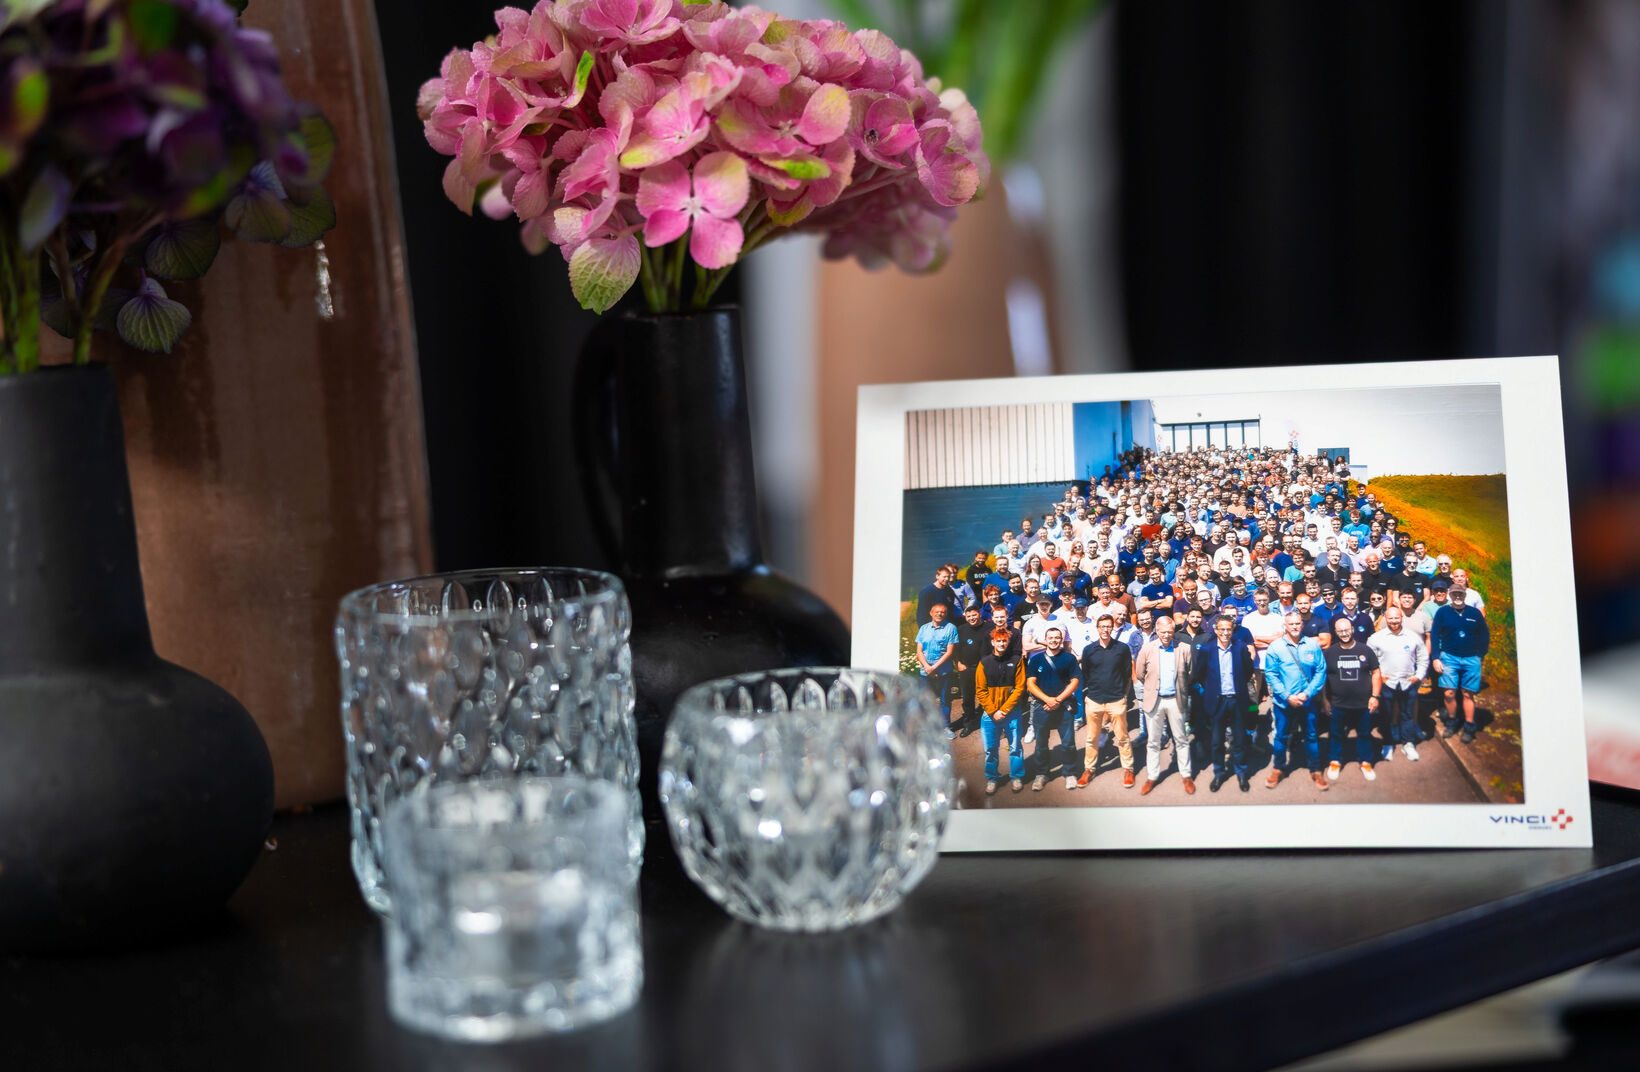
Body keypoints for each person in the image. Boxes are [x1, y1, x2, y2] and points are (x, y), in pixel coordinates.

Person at [1264, 610, 1329, 790]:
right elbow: (1271, 674)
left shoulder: (1312, 645)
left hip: (1307, 701)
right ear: (1285, 626)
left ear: (1302, 624)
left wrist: (1308, 693)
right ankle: (1278, 768)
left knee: (1311, 735)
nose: (1294, 626)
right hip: (1284, 702)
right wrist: (1287, 695)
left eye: (1297, 623)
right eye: (1291, 623)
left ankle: (1315, 769)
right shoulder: (1276, 647)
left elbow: (1321, 671)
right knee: (1281, 736)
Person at [1194, 612, 1258, 793]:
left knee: (1239, 740)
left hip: (1237, 700)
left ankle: (1241, 772)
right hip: (1217, 701)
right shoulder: (1207, 650)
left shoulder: (1240, 647)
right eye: (1221, 629)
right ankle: (1219, 773)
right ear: (1216, 630)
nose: (1225, 633)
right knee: (1217, 742)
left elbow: (1248, 670)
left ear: (1232, 630)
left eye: (1228, 629)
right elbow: (1200, 673)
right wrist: (1211, 689)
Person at [1134, 615, 1196, 795]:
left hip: (1176, 700)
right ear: (1157, 631)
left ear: (1174, 631)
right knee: (1153, 741)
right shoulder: (1147, 649)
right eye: (1163, 632)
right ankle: (1152, 776)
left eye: (1170, 631)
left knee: (1181, 739)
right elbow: (1140, 673)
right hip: (1155, 700)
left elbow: (1190, 673)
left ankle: (1186, 775)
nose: (1167, 635)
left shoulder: (1184, 649)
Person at [1078, 614, 1136, 788]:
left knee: (1123, 737)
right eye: (1102, 626)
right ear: (1097, 628)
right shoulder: (1089, 650)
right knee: (1092, 738)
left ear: (1112, 628)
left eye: (1108, 626)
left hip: (1116, 700)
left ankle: (1128, 768)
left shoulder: (1122, 649)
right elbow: (1086, 673)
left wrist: (1123, 696)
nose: (1105, 630)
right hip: (1094, 700)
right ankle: (1089, 769)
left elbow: (1127, 674)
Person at [1323, 615, 1382, 783]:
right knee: (1336, 734)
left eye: (1347, 630)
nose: (1344, 633)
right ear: (1335, 632)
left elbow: (1376, 673)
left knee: (1364, 734)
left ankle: (1365, 762)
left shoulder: (1365, 650)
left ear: (1353, 630)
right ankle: (1335, 761)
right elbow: (1323, 679)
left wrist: (1375, 696)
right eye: (1340, 631)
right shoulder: (1329, 653)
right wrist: (1325, 701)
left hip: (1363, 703)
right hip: (1337, 703)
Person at [1368, 605, 1429, 761]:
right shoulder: (1376, 638)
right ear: (1385, 619)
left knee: (1407, 715)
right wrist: (1378, 676)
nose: (1394, 621)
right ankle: (1388, 744)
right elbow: (1369, 661)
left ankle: (1408, 743)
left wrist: (1419, 676)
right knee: (1386, 716)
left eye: (1397, 617)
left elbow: (1423, 658)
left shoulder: (1413, 637)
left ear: (1401, 618)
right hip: (1386, 684)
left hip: (1408, 682)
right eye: (1390, 618)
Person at [1026, 627, 1082, 791]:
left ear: (1061, 639)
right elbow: (1030, 684)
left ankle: (1069, 773)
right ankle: (1042, 773)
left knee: (1068, 743)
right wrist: (1048, 700)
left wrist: (1057, 700)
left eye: (1057, 637)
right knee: (1041, 743)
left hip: (1064, 706)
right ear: (1046, 639)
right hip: (1041, 706)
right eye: (1050, 637)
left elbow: (1075, 682)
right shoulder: (1036, 659)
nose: (1054, 640)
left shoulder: (1069, 658)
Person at [1432, 586, 1490, 743]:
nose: (1457, 596)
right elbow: (1435, 635)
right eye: (1454, 593)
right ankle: (1452, 721)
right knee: (1449, 693)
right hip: (1449, 657)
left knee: (1467, 693)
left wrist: (1480, 655)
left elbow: (1484, 635)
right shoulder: (1442, 612)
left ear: (1465, 595)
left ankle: (1469, 725)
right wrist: (1436, 657)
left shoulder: (1474, 613)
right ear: (1449, 595)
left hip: (1471, 658)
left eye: (1460, 593)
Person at [974, 628, 1027, 794]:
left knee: (1015, 747)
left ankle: (1016, 776)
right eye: (998, 641)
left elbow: (1020, 688)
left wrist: (1004, 710)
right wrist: (993, 711)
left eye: (1004, 640)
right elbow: (980, 690)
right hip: (989, 715)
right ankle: (992, 778)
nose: (1002, 643)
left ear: (1008, 642)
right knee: (990, 749)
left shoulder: (1017, 661)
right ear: (993, 642)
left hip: (1012, 712)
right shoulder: (984, 662)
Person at [914, 603, 960, 737]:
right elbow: (919, 651)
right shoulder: (924, 628)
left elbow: (949, 652)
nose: (940, 614)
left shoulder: (951, 628)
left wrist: (933, 668)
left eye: (943, 612)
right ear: (931, 613)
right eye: (937, 612)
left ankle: (946, 727)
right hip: (925, 671)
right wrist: (927, 667)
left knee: (945, 699)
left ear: (945, 614)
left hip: (944, 671)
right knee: (925, 700)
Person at [952, 603, 989, 738]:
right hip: (967, 668)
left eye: (974, 615)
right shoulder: (961, 630)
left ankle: (987, 722)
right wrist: (958, 663)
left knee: (986, 696)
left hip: (985, 668)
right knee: (967, 698)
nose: (972, 618)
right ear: (965, 617)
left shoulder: (989, 628)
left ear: (979, 614)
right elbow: (955, 649)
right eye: (969, 616)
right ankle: (969, 723)